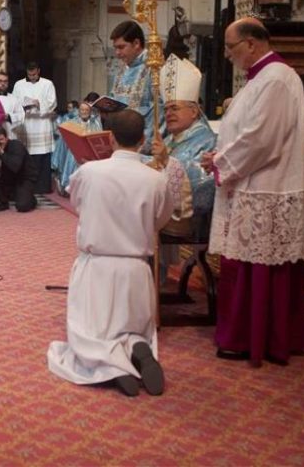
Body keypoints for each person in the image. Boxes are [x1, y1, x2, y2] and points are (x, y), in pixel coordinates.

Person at [201, 17, 304, 367]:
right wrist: (218, 156)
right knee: (245, 266)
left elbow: (262, 138)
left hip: (265, 184)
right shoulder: (260, 79)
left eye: (231, 47)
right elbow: (244, 132)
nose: (228, 54)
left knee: (258, 268)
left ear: (252, 43)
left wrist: (221, 161)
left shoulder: (277, 79)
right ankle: (241, 336)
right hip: (250, 181)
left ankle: (254, 338)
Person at [47, 109, 174, 397]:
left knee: (89, 335)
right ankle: (137, 348)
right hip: (136, 269)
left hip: (98, 267)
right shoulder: (155, 179)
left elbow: (77, 203)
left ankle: (113, 369)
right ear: (142, 140)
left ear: (111, 138)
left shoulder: (90, 171)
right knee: (131, 327)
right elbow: (161, 219)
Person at [148, 55, 217, 237]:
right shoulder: (170, 140)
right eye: (166, 109)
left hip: (190, 224)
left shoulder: (207, 141)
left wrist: (165, 161)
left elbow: (203, 188)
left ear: (194, 111)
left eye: (175, 108)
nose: (168, 113)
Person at [109, 20, 164, 149]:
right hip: (120, 145)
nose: (117, 53)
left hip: (140, 147)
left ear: (136, 43)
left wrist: (141, 147)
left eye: (121, 47)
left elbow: (158, 112)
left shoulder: (154, 67)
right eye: (115, 48)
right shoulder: (122, 71)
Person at [12, 61, 57, 194]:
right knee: (27, 155)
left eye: (34, 74)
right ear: (26, 72)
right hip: (27, 123)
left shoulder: (47, 84)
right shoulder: (19, 84)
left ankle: (43, 187)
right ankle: (28, 186)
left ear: (39, 71)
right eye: (30, 74)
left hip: (42, 124)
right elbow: (14, 102)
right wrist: (24, 105)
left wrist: (39, 103)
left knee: (43, 155)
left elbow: (52, 102)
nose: (32, 76)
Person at [0, 125, 37, 213]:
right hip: (7, 178)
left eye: (1, 140)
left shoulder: (16, 145)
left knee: (22, 206)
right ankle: (5, 199)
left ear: (6, 138)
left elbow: (15, 166)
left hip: (23, 178)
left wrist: (1, 152)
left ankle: (31, 199)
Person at [0, 71, 25, 140]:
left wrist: (9, 117)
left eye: (5, 81)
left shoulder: (13, 98)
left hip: (10, 135)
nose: (3, 83)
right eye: (0, 81)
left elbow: (22, 115)